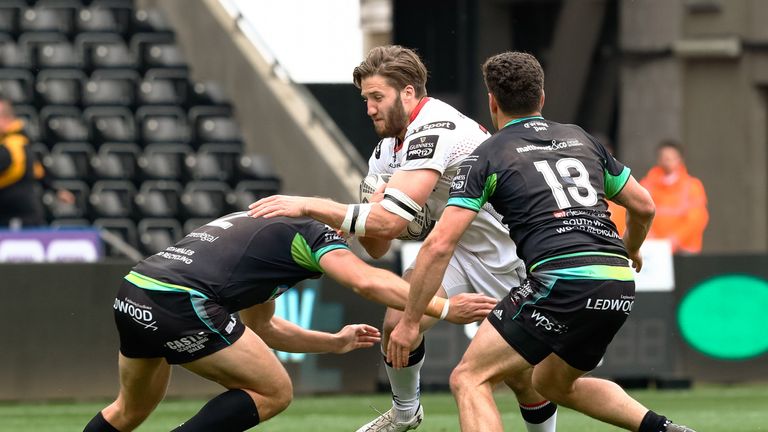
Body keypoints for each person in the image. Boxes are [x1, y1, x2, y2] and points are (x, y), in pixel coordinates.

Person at [248, 45, 559, 432]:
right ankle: (405, 412)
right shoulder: (385, 151)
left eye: (377, 97)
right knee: (397, 323)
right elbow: (377, 245)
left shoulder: (437, 127)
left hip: (513, 256)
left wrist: (313, 205)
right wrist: (369, 204)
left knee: (521, 378)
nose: (369, 108)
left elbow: (388, 225)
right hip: (454, 250)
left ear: (409, 92)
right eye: (365, 99)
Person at [386, 51, 696, 432]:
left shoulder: (487, 156)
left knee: (468, 378)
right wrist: (630, 248)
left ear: (492, 102)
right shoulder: (581, 139)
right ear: (542, 97)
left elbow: (438, 245)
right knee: (550, 383)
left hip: (560, 281)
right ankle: (664, 429)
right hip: (616, 281)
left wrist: (410, 321)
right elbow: (644, 206)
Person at [82, 211, 494, 432]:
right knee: (274, 391)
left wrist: (333, 342)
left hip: (135, 290)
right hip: (179, 301)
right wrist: (441, 309)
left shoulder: (269, 240)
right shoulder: (315, 234)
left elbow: (264, 327)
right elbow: (367, 282)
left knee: (127, 412)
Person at [0, 96, 74, 227]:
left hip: (17, 215)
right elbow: (39, 170)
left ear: (5, 119)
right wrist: (55, 189)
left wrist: (54, 189)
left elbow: (37, 170)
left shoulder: (13, 145)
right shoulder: (21, 141)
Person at [640, 140, 708, 254]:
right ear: (659, 159)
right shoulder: (646, 185)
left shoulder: (692, 186)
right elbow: (637, 214)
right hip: (653, 250)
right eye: (665, 157)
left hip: (684, 250)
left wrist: (675, 241)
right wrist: (650, 238)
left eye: (672, 157)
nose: (668, 161)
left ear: (680, 159)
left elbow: (697, 219)